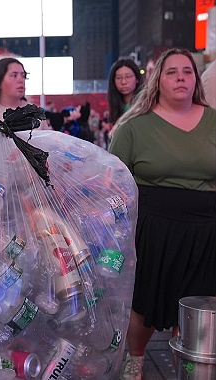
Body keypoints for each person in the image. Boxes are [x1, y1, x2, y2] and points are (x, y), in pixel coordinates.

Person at [108, 48, 216, 380]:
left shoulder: (213, 120)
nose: (181, 77)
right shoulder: (134, 127)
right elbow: (113, 182)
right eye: (172, 72)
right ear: (158, 80)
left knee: (198, 306)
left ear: (196, 79)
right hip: (153, 229)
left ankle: (189, 368)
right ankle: (134, 362)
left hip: (207, 230)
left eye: (187, 71)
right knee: (146, 305)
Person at [108, 59, 144, 124]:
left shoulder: (146, 105)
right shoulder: (116, 108)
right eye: (119, 78)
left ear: (137, 79)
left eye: (128, 77)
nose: (123, 82)